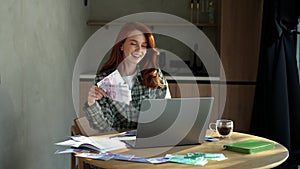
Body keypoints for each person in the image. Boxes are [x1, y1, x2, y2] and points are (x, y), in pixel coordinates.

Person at [83, 22, 171, 132]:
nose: (139, 50)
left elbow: (165, 117)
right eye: (133, 44)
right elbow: (104, 127)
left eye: (143, 46)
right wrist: (92, 103)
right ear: (121, 45)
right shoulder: (104, 80)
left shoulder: (154, 76)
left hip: (149, 142)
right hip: (116, 145)